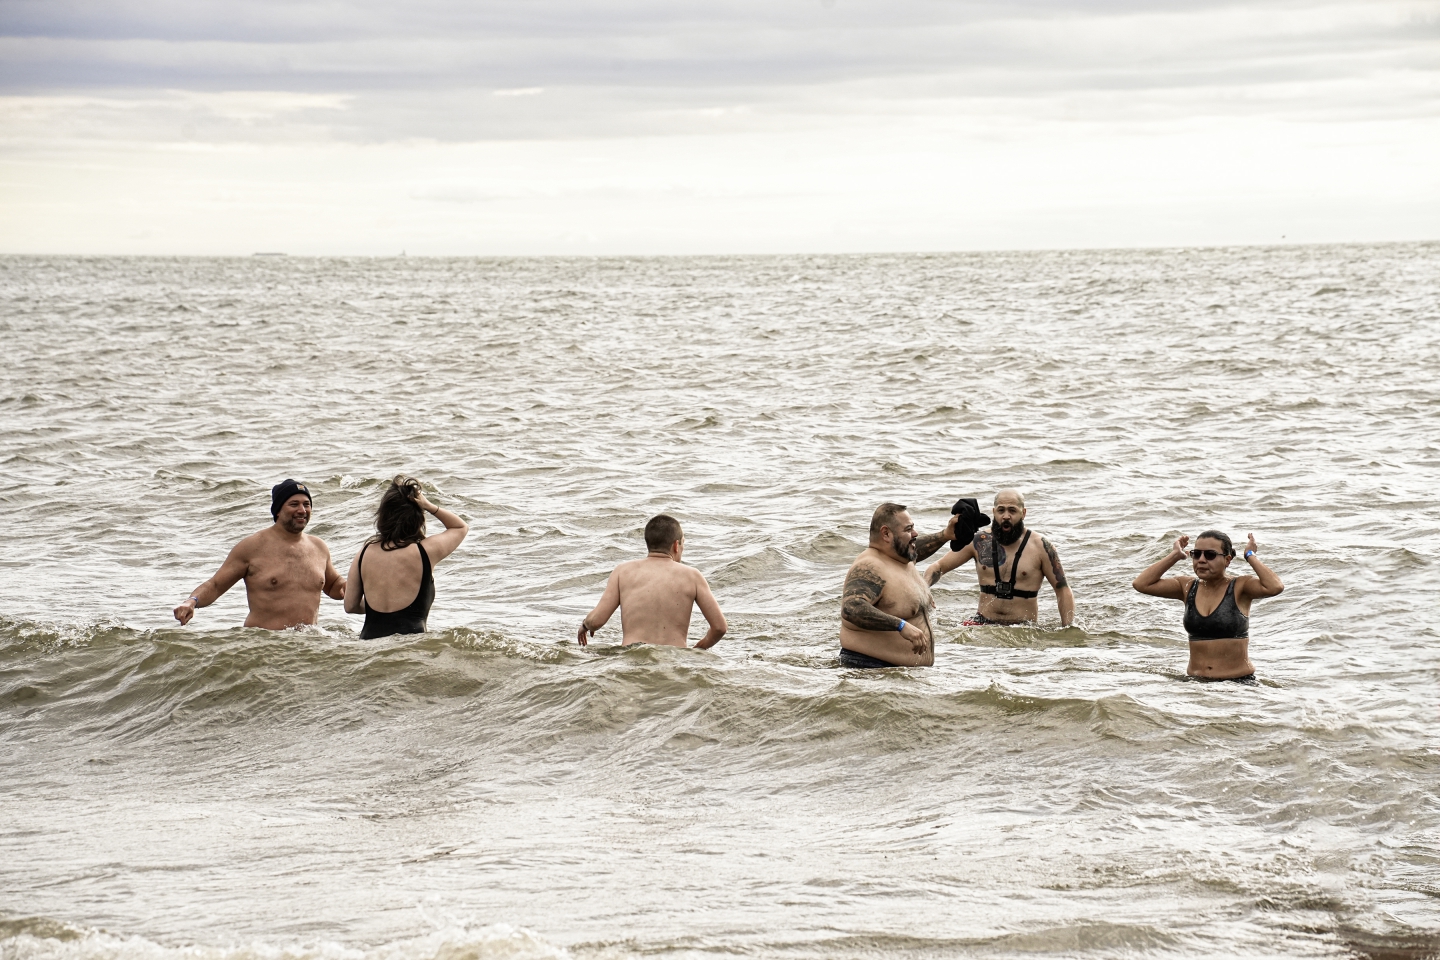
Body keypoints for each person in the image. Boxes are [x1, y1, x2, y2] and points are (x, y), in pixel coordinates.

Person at [173, 479, 346, 629]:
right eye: (294, 504)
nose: (302, 510)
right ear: (278, 510)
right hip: (264, 645)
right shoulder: (252, 547)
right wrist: (192, 601)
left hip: (308, 644)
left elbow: (334, 586)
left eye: (306, 504)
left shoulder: (318, 547)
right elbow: (216, 585)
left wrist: (354, 587)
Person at [1131, 530, 1283, 682]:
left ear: (1227, 560)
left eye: (1210, 555)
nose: (1201, 560)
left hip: (1237, 684)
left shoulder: (1240, 587)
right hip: (1195, 683)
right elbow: (1141, 584)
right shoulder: (1186, 587)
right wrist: (1175, 555)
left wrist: (1250, 555)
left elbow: (1275, 586)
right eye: (1196, 554)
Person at [923, 489, 1074, 627]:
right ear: (994, 512)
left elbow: (1062, 589)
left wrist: (1068, 628)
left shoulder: (1041, 546)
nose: (1006, 516)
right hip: (982, 623)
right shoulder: (978, 542)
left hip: (1023, 626)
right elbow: (938, 567)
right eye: (1001, 510)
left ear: (1023, 513)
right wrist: (924, 591)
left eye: (1012, 510)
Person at [344, 476, 469, 639]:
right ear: (417, 517)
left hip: (368, 643)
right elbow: (460, 527)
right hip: (411, 645)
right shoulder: (425, 551)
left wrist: (378, 606)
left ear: (383, 515)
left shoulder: (364, 552)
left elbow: (350, 606)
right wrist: (429, 506)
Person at [577, 514, 727, 649]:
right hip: (675, 657)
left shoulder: (622, 572)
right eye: (683, 544)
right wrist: (700, 648)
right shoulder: (692, 576)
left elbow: (596, 621)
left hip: (632, 656)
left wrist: (585, 625)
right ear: (676, 545)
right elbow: (720, 627)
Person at [838, 502, 955, 668]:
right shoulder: (869, 566)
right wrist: (901, 625)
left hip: (897, 673)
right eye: (908, 529)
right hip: (869, 670)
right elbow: (852, 607)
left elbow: (916, 548)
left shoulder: (899, 558)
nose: (915, 533)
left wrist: (946, 535)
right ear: (886, 534)